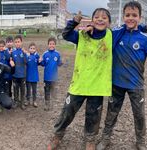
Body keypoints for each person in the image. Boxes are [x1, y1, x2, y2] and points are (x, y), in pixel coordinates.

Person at [96, 2, 147, 150]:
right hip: (117, 83)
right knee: (111, 113)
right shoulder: (116, 34)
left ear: (140, 18)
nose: (130, 18)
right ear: (123, 16)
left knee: (139, 115)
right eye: (127, 15)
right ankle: (106, 138)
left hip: (136, 85)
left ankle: (140, 141)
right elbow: (101, 34)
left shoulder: (144, 40)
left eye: (134, 15)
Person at [47, 8, 112, 150]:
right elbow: (66, 34)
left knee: (93, 116)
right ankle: (57, 135)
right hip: (79, 83)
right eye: (97, 17)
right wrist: (75, 22)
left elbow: (128, 28)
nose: (100, 19)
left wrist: (143, 27)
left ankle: (90, 140)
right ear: (92, 20)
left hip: (97, 86)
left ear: (109, 22)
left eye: (104, 18)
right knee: (67, 111)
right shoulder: (82, 35)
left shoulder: (112, 36)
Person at [40, 37, 62, 111]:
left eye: (53, 44)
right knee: (47, 90)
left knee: (53, 90)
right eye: (50, 44)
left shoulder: (57, 54)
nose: (51, 45)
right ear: (48, 45)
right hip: (47, 77)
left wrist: (61, 63)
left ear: (55, 45)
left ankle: (53, 104)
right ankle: (47, 104)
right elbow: (42, 64)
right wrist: (40, 61)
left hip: (54, 77)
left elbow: (59, 63)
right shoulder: (45, 54)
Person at [11, 35, 27, 110]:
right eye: (16, 42)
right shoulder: (13, 52)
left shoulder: (23, 52)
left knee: (22, 89)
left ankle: (22, 102)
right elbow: (10, 61)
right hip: (15, 74)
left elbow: (26, 61)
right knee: (15, 89)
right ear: (14, 43)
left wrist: (24, 53)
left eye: (19, 42)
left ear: (21, 42)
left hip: (22, 75)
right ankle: (16, 101)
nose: (17, 43)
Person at [25, 42, 40, 107]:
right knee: (28, 89)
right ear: (29, 49)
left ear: (35, 49)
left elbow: (39, 60)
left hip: (34, 77)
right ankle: (28, 100)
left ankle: (34, 101)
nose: (32, 49)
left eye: (34, 48)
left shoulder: (37, 56)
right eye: (31, 48)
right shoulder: (27, 56)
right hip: (28, 76)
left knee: (34, 90)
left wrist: (40, 59)